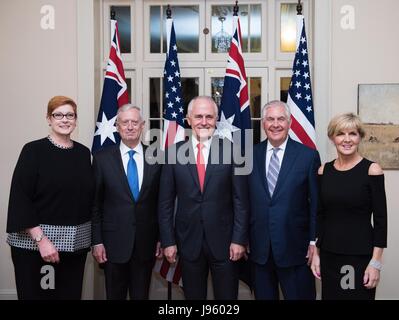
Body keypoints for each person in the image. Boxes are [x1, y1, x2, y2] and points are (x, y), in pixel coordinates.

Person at [158, 96, 249, 300]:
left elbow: (241, 201)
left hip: (226, 243)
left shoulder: (234, 152)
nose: (204, 121)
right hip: (187, 241)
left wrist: (239, 239)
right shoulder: (173, 154)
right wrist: (168, 241)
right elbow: (164, 203)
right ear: (188, 120)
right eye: (198, 116)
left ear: (216, 119)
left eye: (209, 116)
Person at [6, 95, 94, 300]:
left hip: (74, 248)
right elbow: (21, 198)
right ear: (49, 119)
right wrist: (41, 240)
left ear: (75, 119)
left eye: (70, 115)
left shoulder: (83, 153)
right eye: (58, 115)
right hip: (35, 247)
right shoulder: (33, 150)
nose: (65, 119)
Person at [248, 100, 320, 300]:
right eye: (270, 119)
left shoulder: (308, 156)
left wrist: (314, 240)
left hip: (296, 250)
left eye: (281, 119)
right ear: (263, 123)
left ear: (289, 123)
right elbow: (243, 201)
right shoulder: (249, 155)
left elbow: (315, 204)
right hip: (259, 251)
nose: (275, 124)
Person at [311, 113, 387, 300]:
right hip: (329, 255)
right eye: (340, 134)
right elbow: (320, 216)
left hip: (358, 257)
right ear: (332, 138)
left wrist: (375, 262)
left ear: (359, 137)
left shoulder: (372, 170)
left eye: (352, 134)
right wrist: (316, 254)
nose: (346, 140)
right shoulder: (323, 170)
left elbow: (380, 220)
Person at [91, 104, 163, 300]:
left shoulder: (157, 157)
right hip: (112, 245)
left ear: (142, 126)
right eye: (125, 122)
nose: (130, 126)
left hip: (146, 244)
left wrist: (161, 238)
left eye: (134, 122)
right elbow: (95, 205)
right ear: (117, 126)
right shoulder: (101, 158)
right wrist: (96, 241)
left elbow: (161, 203)